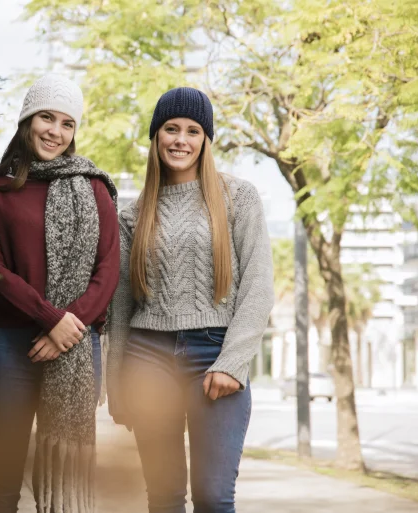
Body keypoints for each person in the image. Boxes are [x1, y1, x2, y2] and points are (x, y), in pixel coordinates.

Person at [106, 87, 274, 513]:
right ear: (156, 136)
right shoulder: (134, 213)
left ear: (205, 140)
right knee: (163, 498)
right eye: (171, 129)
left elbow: (258, 285)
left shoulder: (239, 197)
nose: (181, 139)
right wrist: (118, 383)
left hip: (215, 354)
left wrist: (232, 362)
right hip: (148, 356)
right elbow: (122, 304)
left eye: (193, 130)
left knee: (213, 498)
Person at [0, 73, 119, 513]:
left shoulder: (93, 188)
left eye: (67, 123)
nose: (56, 131)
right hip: (8, 348)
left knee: (66, 487)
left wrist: (68, 327)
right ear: (27, 120)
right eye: (46, 118)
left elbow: (108, 269)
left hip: (75, 345)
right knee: (0, 486)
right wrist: (51, 318)